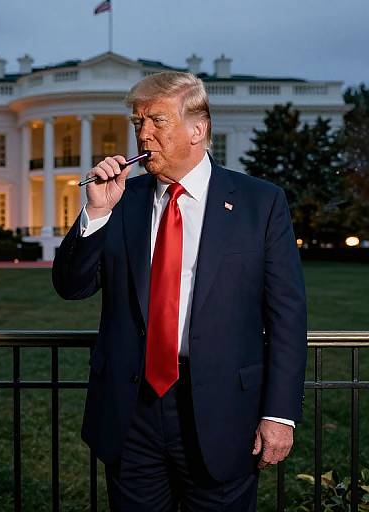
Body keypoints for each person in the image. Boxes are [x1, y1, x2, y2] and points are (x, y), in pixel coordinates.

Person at [52, 71, 307, 511]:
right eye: (137, 122)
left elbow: (287, 314)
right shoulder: (120, 200)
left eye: (156, 121)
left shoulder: (259, 203)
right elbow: (71, 287)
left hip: (224, 412)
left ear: (198, 129)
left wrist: (279, 414)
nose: (142, 133)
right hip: (134, 414)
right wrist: (94, 214)